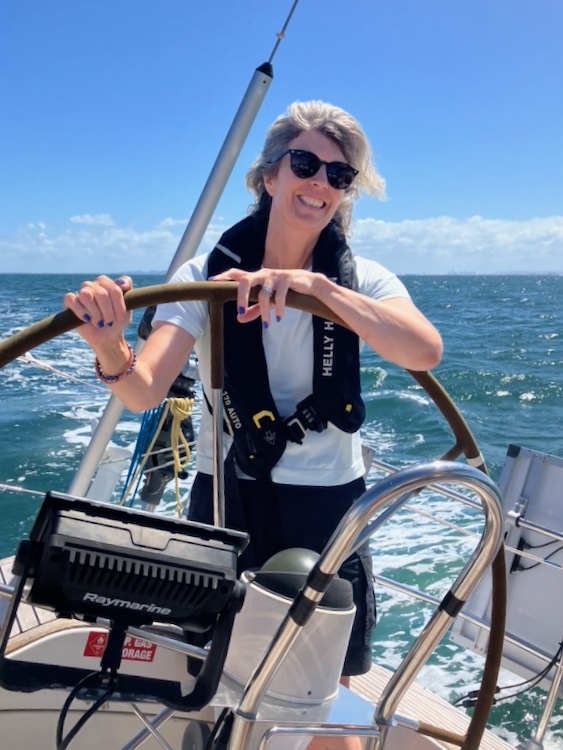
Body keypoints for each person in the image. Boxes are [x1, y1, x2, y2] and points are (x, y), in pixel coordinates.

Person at [64, 101, 442, 750]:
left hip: (329, 507)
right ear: (268, 175)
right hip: (226, 494)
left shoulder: (365, 281)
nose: (320, 182)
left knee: (323, 702)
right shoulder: (200, 279)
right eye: (304, 163)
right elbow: (142, 388)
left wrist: (318, 289)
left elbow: (422, 350)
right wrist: (108, 346)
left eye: (338, 174)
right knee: (216, 678)